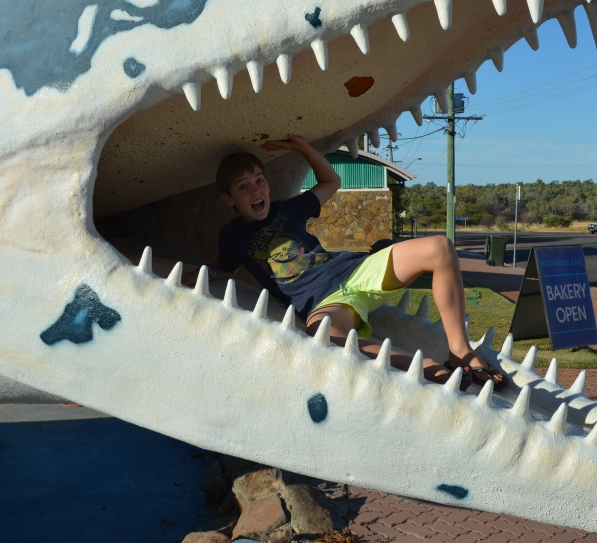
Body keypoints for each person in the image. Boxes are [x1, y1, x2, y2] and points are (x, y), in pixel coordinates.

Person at [191, 134, 506, 391]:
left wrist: (303, 148)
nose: (256, 190)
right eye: (243, 187)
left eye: (259, 181)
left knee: (440, 247)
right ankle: (427, 368)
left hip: (356, 272)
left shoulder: (287, 209)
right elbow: (226, 266)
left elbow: (331, 181)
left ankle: (460, 352)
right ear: (229, 199)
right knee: (322, 333)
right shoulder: (232, 236)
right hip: (325, 303)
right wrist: (204, 272)